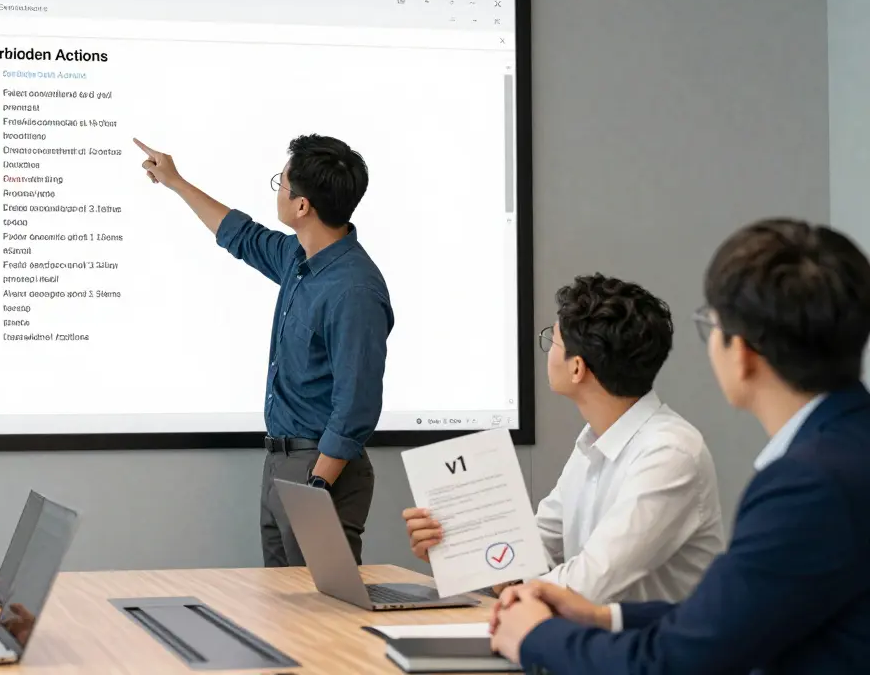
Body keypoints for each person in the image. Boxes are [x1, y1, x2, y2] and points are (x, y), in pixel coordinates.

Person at [490, 220, 870, 673]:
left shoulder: (808, 484)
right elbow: (735, 617)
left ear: (741, 352)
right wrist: (604, 617)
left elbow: (677, 660)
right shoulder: (846, 449)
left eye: (712, 325)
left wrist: (535, 636)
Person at [134, 135, 392, 566]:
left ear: (302, 205)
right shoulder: (298, 259)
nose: (278, 191)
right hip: (281, 464)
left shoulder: (354, 290)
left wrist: (316, 485)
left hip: (319, 470)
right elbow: (241, 235)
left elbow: (356, 404)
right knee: (280, 603)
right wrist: (176, 182)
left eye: (281, 183)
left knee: (324, 605)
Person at [403, 274, 724, 603]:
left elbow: (589, 583)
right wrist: (454, 549)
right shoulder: (594, 440)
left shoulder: (669, 453)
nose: (547, 351)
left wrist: (508, 584)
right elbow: (534, 549)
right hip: (586, 632)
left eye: (552, 340)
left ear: (577, 368)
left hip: (640, 636)